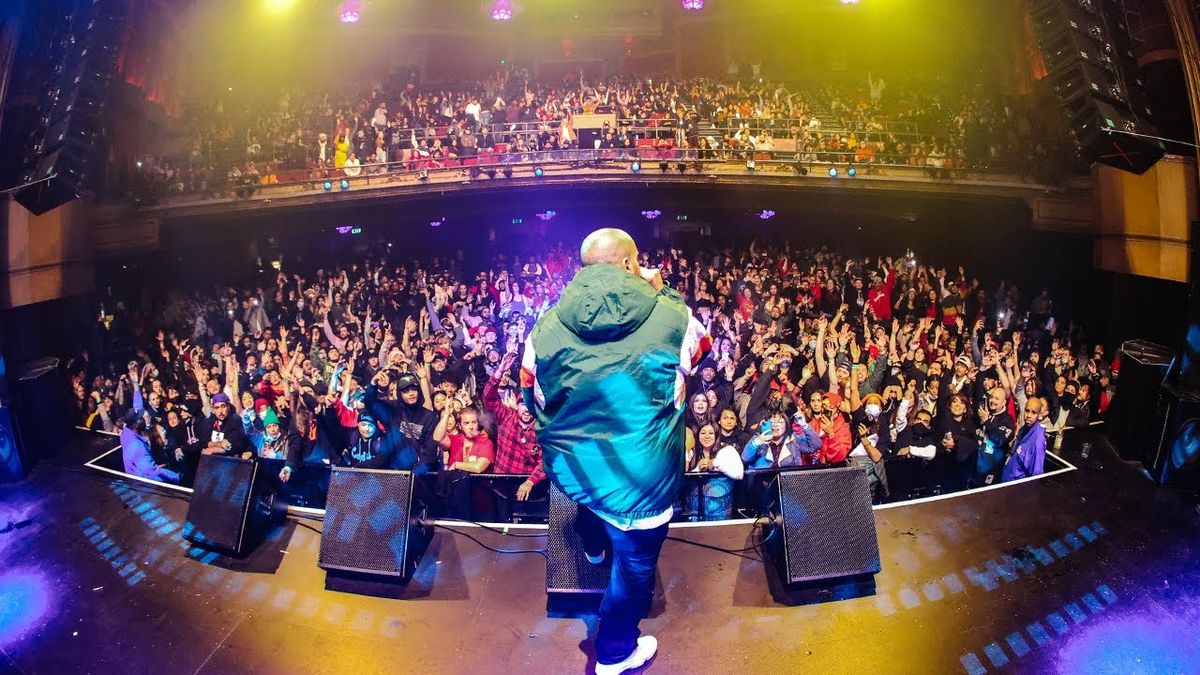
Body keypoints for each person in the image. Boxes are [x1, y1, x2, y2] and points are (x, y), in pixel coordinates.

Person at [521, 227, 710, 675]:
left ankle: (592, 545)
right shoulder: (673, 315)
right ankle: (613, 653)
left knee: (589, 504)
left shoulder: (545, 326)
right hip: (643, 480)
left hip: (580, 467)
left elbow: (532, 393)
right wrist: (664, 293)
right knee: (634, 570)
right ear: (629, 263)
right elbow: (701, 353)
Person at [1002, 397, 1047, 481]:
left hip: (1017, 486)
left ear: (1039, 415)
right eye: (1027, 411)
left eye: (1033, 412)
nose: (1028, 415)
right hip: (1007, 481)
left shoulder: (1037, 441)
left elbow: (1036, 475)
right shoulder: (1023, 429)